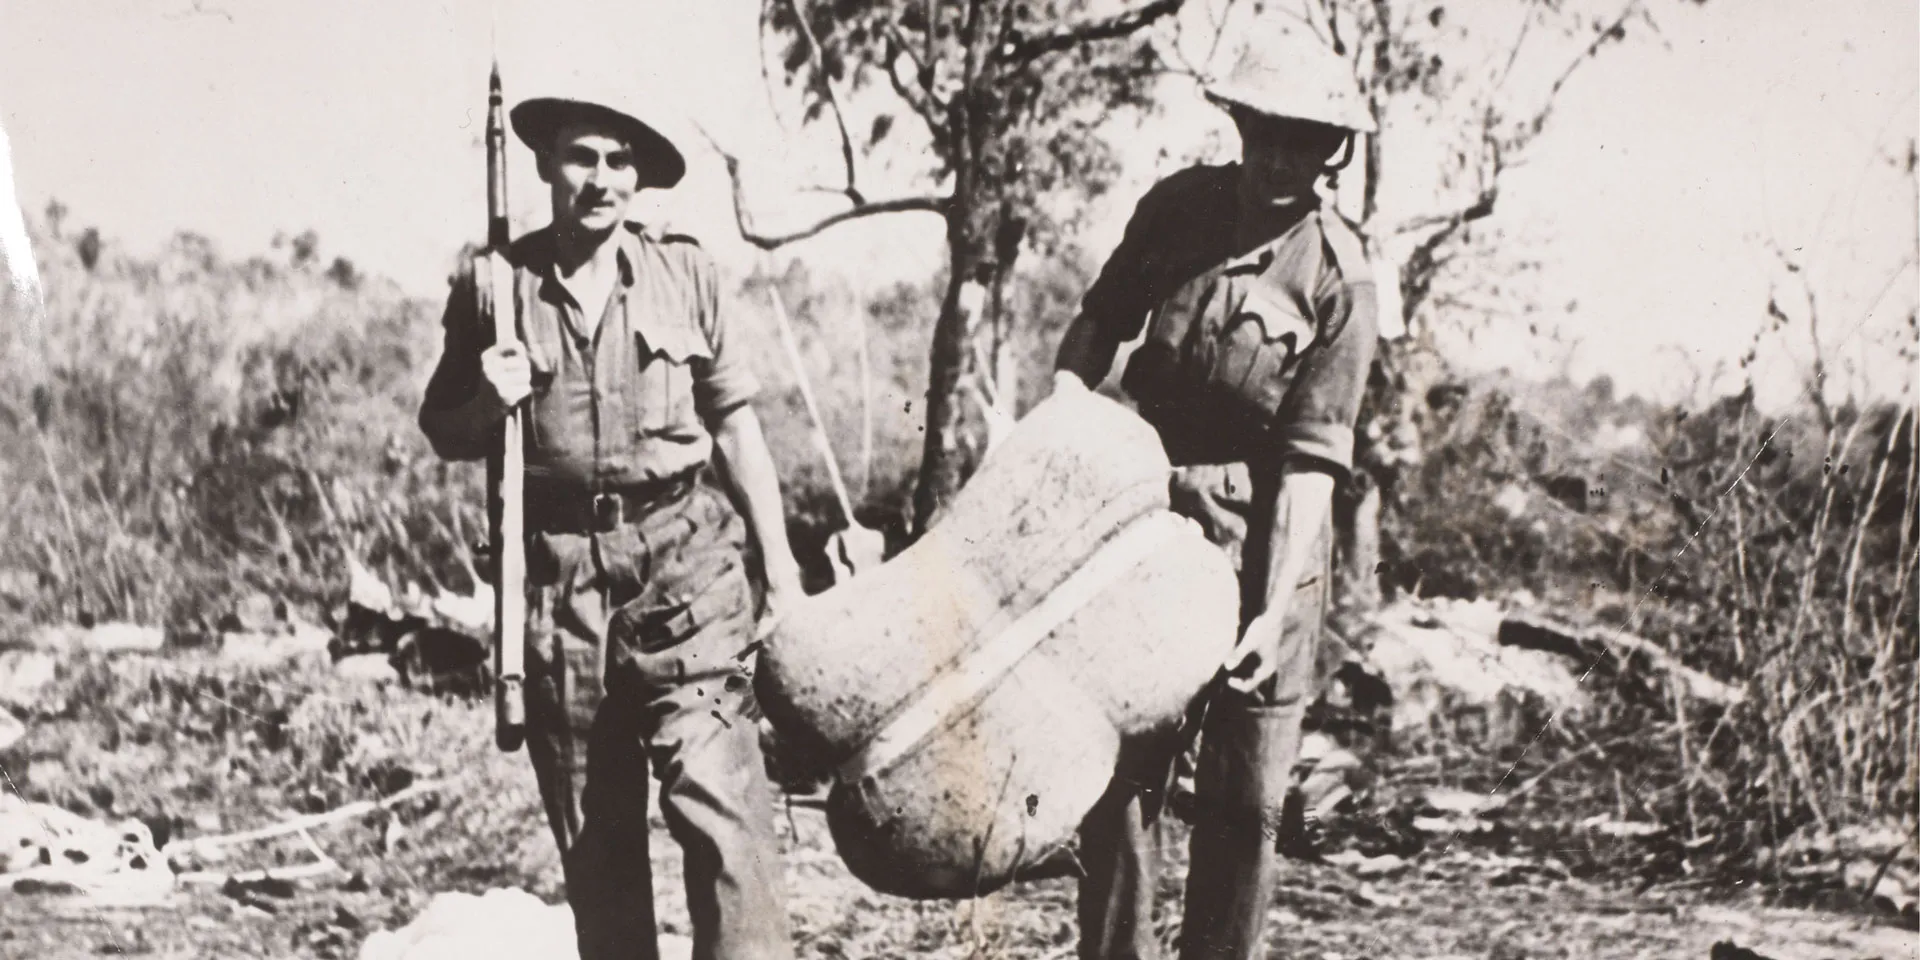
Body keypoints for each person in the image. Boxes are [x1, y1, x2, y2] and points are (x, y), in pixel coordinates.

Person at [419, 84, 801, 960]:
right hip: (560, 591)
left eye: (619, 160)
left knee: (726, 815)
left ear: (639, 177)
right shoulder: (492, 286)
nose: (601, 179)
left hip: (687, 573)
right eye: (583, 157)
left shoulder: (687, 273)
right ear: (548, 163)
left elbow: (737, 427)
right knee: (600, 849)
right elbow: (444, 429)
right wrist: (489, 394)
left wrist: (782, 571)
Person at [1053, 25, 1381, 960]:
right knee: (1119, 775)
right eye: (1266, 130)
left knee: (1243, 804)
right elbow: (1097, 326)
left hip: (1269, 537)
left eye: (1307, 141)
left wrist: (1273, 609)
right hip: (1149, 518)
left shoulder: (1340, 280)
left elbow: (1313, 466)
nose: (1282, 157)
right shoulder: (1176, 211)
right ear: (1239, 123)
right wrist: (1059, 428)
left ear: (1334, 153)